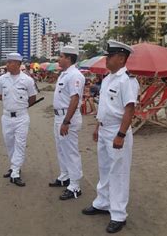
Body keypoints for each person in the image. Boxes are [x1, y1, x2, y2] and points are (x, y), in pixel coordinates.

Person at [81, 40, 139, 234]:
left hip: (117, 131)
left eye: (110, 56)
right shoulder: (107, 79)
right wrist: (98, 126)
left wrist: (121, 134)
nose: (106, 59)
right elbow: (105, 107)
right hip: (105, 129)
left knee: (119, 173)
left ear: (121, 58)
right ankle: (103, 202)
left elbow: (129, 109)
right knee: (105, 169)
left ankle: (118, 214)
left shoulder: (127, 80)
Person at [49, 46, 85, 200]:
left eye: (61, 56)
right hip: (60, 117)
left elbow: (75, 99)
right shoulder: (64, 74)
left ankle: (75, 185)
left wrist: (66, 121)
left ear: (69, 59)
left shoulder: (75, 75)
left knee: (70, 151)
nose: (59, 59)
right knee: (61, 149)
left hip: (67, 119)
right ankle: (65, 176)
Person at [0, 52, 37, 187]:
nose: (7, 65)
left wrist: (20, 107)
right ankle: (14, 166)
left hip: (21, 118)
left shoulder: (27, 80)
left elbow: (32, 98)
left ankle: (15, 173)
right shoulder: (2, 79)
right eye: (7, 62)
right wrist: (11, 104)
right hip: (6, 117)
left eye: (10, 62)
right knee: (9, 144)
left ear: (18, 64)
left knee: (20, 144)